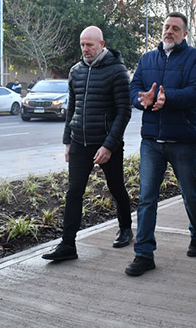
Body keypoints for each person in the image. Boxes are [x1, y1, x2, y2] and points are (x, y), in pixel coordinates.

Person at [125, 12, 196, 277]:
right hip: (151, 140)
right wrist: (143, 100)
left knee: (190, 192)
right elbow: (133, 88)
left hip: (182, 139)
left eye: (175, 28)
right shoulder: (147, 59)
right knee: (147, 199)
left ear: (185, 33)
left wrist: (166, 97)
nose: (169, 31)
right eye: (166, 27)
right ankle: (144, 253)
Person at [42, 26, 133, 261]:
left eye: (90, 45)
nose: (85, 49)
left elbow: (124, 112)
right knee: (74, 192)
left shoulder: (117, 71)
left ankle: (125, 228)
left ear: (101, 44)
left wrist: (109, 146)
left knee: (116, 188)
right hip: (79, 142)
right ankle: (68, 245)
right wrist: (67, 142)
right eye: (82, 44)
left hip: (106, 143)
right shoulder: (76, 71)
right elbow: (71, 109)